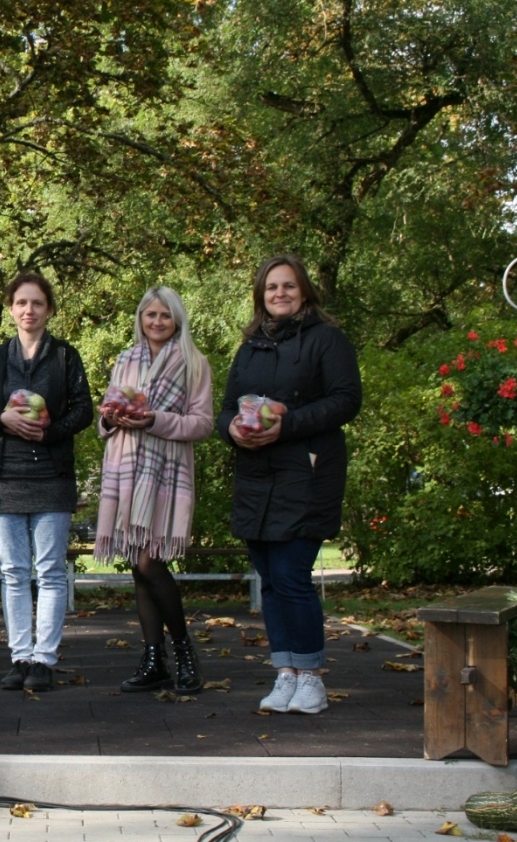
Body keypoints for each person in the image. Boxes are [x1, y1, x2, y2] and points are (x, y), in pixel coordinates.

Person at [218, 255, 360, 715]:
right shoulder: (250, 347)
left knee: (293, 575)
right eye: (271, 287)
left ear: (305, 291)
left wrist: (289, 423)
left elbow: (346, 400)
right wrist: (233, 430)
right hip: (256, 474)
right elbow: (225, 410)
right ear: (261, 295)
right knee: (270, 580)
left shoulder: (327, 340)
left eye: (288, 286)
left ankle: (312, 676)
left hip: (307, 470)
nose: (279, 293)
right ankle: (286, 672)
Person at [0, 273, 93, 693]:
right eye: (21, 303)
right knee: (13, 571)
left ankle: (45, 659)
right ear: (11, 310)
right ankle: (19, 656)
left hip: (52, 473)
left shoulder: (65, 357)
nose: (29, 310)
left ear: (49, 309)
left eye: (37, 303)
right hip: (4, 475)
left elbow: (84, 410)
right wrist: (1, 419)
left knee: (50, 572)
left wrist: (51, 430)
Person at [95, 287, 213, 695]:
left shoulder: (194, 363)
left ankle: (182, 651)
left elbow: (202, 424)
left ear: (177, 319)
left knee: (150, 561)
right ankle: (153, 658)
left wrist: (154, 420)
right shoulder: (125, 359)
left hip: (166, 470)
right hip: (125, 469)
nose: (158, 322)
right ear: (140, 318)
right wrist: (110, 419)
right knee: (136, 564)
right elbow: (105, 421)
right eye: (151, 315)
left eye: (166, 315)